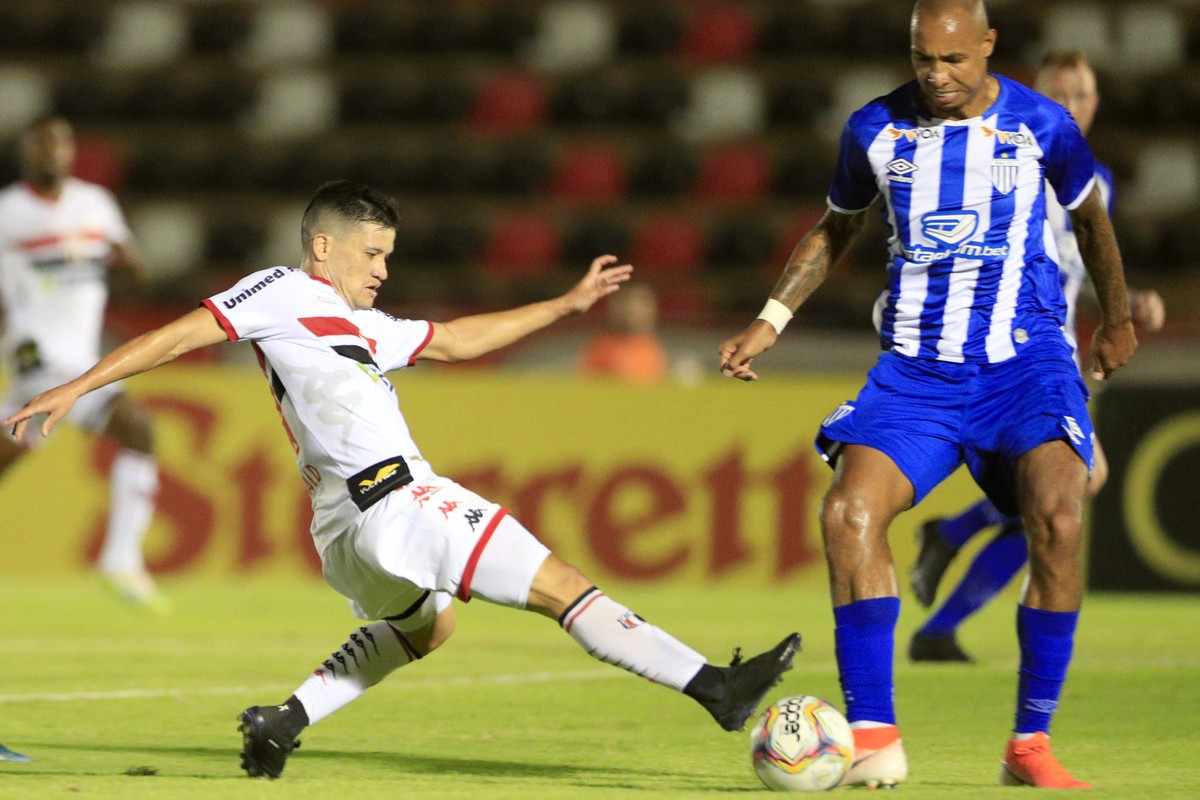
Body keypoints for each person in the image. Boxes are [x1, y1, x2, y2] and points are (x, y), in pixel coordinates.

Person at [6, 180, 800, 781]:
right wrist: (79, 386)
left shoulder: (366, 328)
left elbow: (455, 340)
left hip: (345, 534)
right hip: (396, 499)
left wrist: (564, 305)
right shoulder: (283, 291)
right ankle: (715, 688)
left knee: (430, 627)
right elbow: (181, 335)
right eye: (372, 253)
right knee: (563, 587)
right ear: (324, 248)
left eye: (388, 254)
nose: (385, 269)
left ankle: (285, 719)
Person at [719, 0, 1137, 789]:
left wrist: (1114, 319)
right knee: (847, 514)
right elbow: (836, 227)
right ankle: (874, 736)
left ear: (988, 47)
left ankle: (1029, 744)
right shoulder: (874, 130)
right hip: (918, 372)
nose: (937, 78)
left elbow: (1095, 224)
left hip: (1027, 364)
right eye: (923, 61)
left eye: (953, 61)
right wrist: (771, 319)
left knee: (1059, 512)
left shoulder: (1041, 125)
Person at [908, 50, 1166, 663]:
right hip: (1006, 354)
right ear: (1033, 95)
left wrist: (1128, 305)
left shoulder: (1092, 178)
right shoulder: (1005, 158)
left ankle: (941, 618)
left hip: (1056, 357)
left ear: (1097, 104)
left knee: (1055, 498)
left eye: (1084, 94)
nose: (1073, 105)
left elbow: (1078, 266)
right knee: (1076, 483)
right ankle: (950, 558)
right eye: (1061, 93)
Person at [0, 114, 166, 612]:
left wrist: (121, 261)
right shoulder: (7, 211)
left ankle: (120, 560)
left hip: (78, 351)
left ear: (72, 151)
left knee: (13, 446)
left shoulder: (95, 204)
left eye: (59, 144)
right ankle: (120, 560)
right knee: (138, 428)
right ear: (25, 154)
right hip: (36, 350)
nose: (51, 153)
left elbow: (130, 262)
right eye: (40, 145)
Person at [577, 283, 669, 384]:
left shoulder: (654, 347)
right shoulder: (602, 349)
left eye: (645, 306)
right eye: (632, 306)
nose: (640, 313)